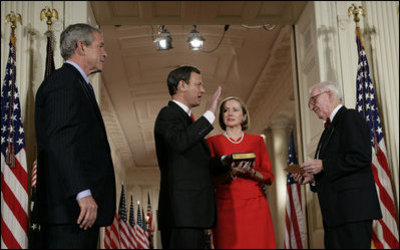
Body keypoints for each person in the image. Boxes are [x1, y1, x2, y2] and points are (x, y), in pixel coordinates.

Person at [35, 23, 116, 248]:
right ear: (81, 47)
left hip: (77, 213)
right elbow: (61, 141)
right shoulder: (64, 83)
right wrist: (81, 192)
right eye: (100, 46)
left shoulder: (78, 84)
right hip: (69, 211)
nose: (105, 53)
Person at [292, 81, 382, 249]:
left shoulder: (350, 117)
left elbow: (361, 157)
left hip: (353, 211)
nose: (311, 107)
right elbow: (331, 167)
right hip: (335, 215)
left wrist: (324, 165)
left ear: (331, 95)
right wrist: (312, 176)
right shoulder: (327, 130)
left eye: (314, 99)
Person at [154, 66, 229, 249]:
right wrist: (210, 113)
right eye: (198, 84)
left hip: (193, 216)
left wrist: (227, 162)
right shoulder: (168, 114)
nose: (202, 90)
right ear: (182, 85)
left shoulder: (188, 121)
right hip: (181, 216)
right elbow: (180, 142)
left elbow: (198, 164)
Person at [206, 96, 276, 249]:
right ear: (221, 116)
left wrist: (251, 172)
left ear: (244, 116)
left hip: (256, 206)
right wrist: (232, 173)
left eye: (235, 110)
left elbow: (269, 176)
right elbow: (209, 179)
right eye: (225, 110)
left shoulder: (257, 141)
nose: (230, 113)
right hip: (226, 207)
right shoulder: (212, 142)